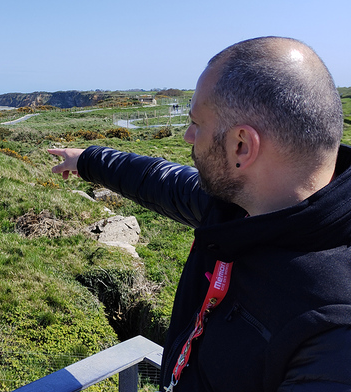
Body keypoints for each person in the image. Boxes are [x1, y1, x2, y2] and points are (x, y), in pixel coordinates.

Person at [48, 36, 351, 391]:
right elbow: (156, 180)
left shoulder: (334, 331)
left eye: (197, 123)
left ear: (241, 145)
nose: (189, 137)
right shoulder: (238, 206)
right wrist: (86, 159)